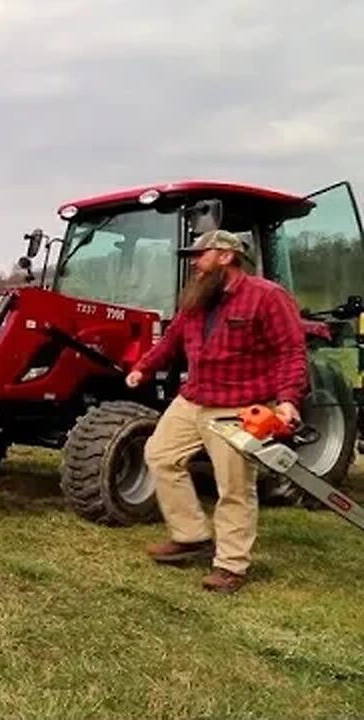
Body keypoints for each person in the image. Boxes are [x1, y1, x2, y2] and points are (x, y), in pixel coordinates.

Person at [125, 229, 308, 593]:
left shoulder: (267, 297)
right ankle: (191, 537)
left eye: (201, 255)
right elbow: (174, 338)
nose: (194, 262)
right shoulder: (197, 298)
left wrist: (288, 399)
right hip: (193, 398)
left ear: (226, 256)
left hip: (239, 405)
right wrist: (143, 367)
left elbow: (291, 351)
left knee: (234, 487)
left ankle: (231, 565)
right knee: (160, 455)